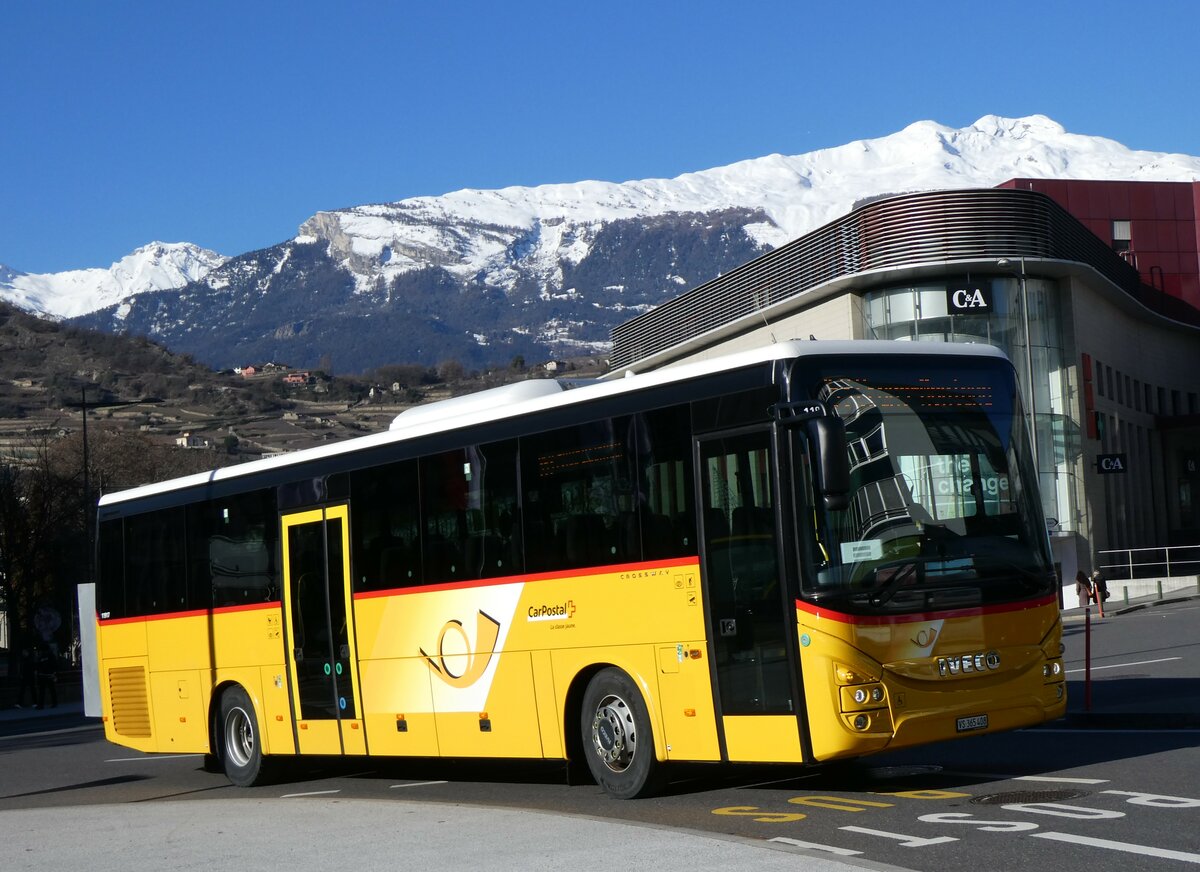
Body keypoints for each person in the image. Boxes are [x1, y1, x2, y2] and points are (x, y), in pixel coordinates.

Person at [34, 640, 58, 710]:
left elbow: (38, 665)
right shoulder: (51, 655)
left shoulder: (41, 656)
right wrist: (53, 672)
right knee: (51, 689)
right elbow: (54, 664)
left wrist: (38, 672)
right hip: (49, 674)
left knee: (42, 691)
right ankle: (54, 703)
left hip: (43, 675)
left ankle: (41, 705)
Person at [14, 643, 37, 708]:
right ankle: (20, 703)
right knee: (25, 690)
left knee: (30, 689)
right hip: (26, 676)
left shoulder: (28, 660)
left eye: (24, 652)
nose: (23, 653)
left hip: (29, 676)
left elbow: (31, 668)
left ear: (27, 652)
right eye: (23, 652)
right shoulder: (25, 659)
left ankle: (34, 702)